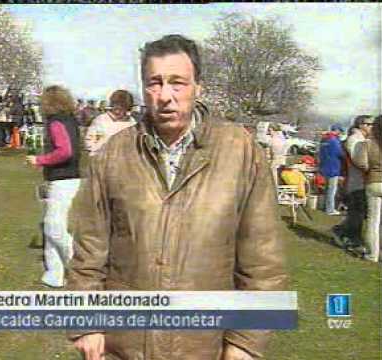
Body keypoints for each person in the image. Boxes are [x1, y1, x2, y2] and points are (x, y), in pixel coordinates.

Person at [67, 34, 287, 360]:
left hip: (204, 344)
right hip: (124, 344)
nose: (165, 96)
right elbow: (89, 248)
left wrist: (245, 343)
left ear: (199, 86)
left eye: (177, 83)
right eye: (154, 83)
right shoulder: (113, 154)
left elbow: (263, 260)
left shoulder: (240, 151)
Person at [26, 85, 82, 287]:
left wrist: (39, 160)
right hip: (70, 179)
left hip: (62, 181)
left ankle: (79, 268)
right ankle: (54, 275)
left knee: (53, 228)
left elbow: (64, 152)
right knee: (51, 230)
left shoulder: (56, 122)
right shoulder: (71, 121)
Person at [332, 115, 374, 248]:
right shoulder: (354, 139)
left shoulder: (362, 139)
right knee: (357, 211)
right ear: (360, 125)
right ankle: (349, 237)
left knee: (358, 211)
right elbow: (358, 160)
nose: (371, 127)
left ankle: (343, 232)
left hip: (361, 180)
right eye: (369, 124)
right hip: (355, 181)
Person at [351, 116, 382, 262]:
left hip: (374, 181)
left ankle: (373, 254)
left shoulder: (366, 144)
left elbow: (362, 164)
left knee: (373, 221)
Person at [84, 89, 136, 156]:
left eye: (122, 106)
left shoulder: (131, 123)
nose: (118, 109)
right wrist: (98, 152)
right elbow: (89, 141)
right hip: (102, 159)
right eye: (116, 105)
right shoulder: (101, 120)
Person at [319, 123, 346, 215]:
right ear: (337, 131)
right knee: (332, 190)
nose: (341, 133)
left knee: (326, 189)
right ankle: (330, 209)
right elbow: (340, 154)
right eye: (340, 131)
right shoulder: (335, 141)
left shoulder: (323, 140)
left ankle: (325, 206)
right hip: (333, 167)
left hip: (324, 166)